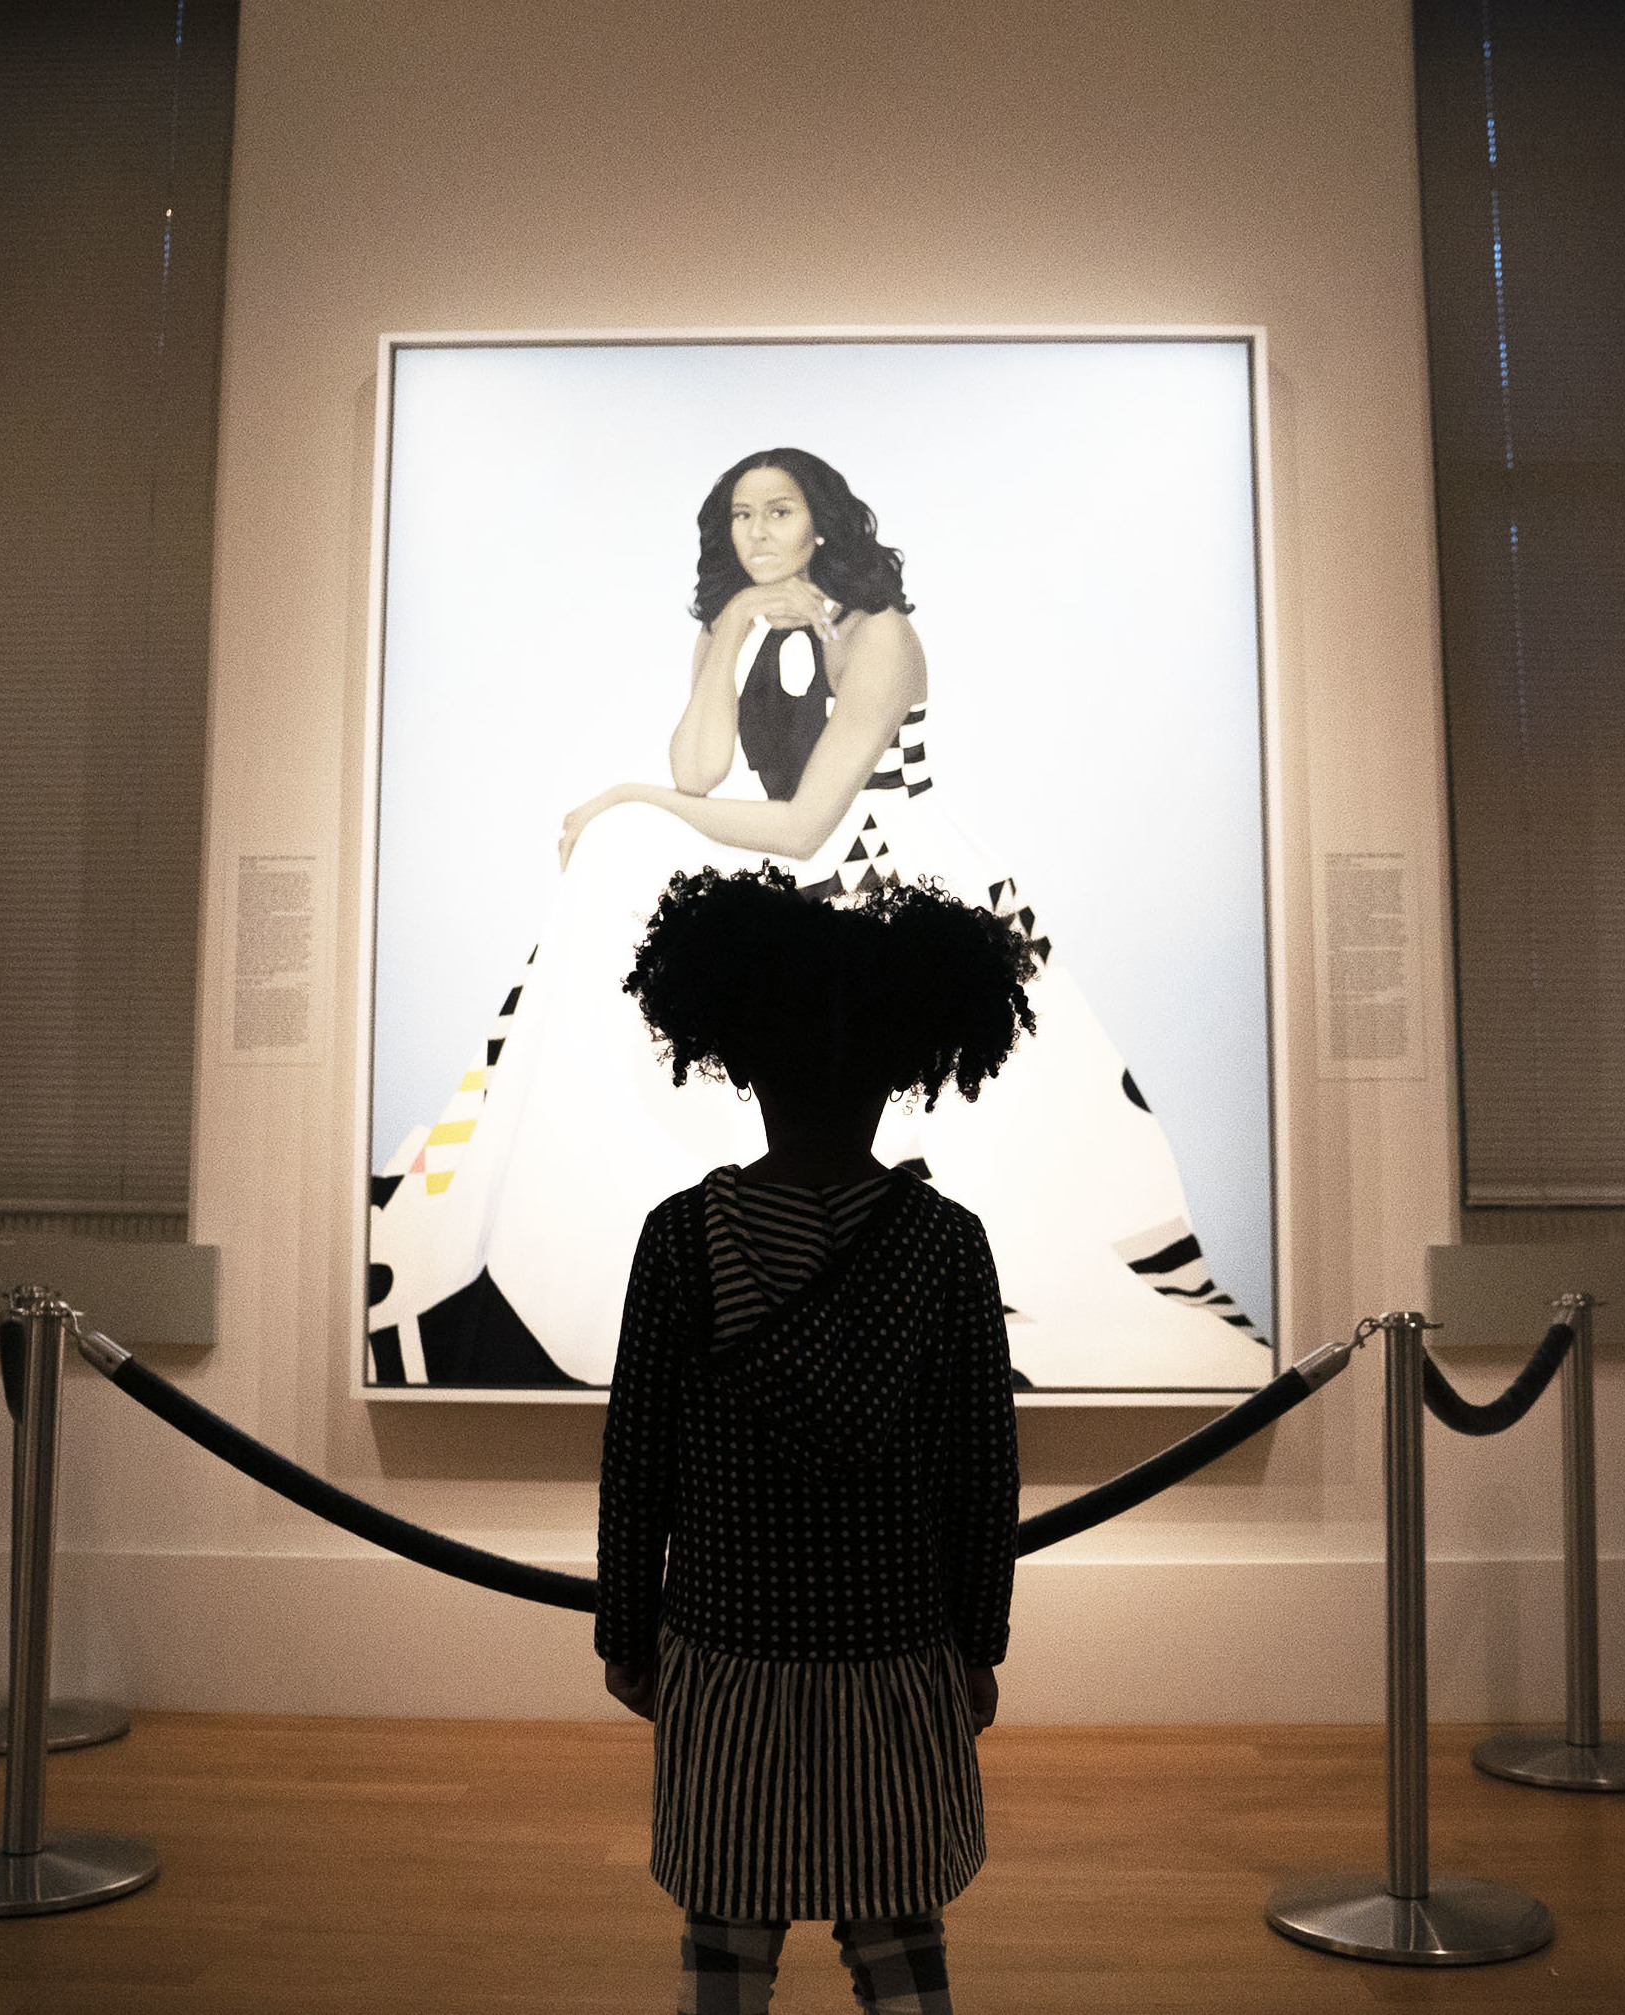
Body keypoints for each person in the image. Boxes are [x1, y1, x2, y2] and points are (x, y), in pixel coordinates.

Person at [367, 447, 1266, 1392]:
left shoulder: (878, 634)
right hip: (793, 872)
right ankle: (560, 1220)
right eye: (741, 517)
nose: (758, 533)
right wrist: (729, 637)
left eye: (779, 512)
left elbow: (807, 824)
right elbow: (702, 772)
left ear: (822, 522)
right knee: (620, 862)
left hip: (892, 887)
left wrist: (625, 796)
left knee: (975, 1167)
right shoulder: (734, 623)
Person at [595, 866, 1025, 2015]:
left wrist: (625, 1629)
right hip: (892, 1645)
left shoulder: (681, 1239)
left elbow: (637, 1462)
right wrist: (977, 1640)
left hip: (729, 1644)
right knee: (897, 1929)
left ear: (736, 1055)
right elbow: (982, 1473)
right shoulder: (944, 1246)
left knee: (726, 1939)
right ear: (906, 1068)